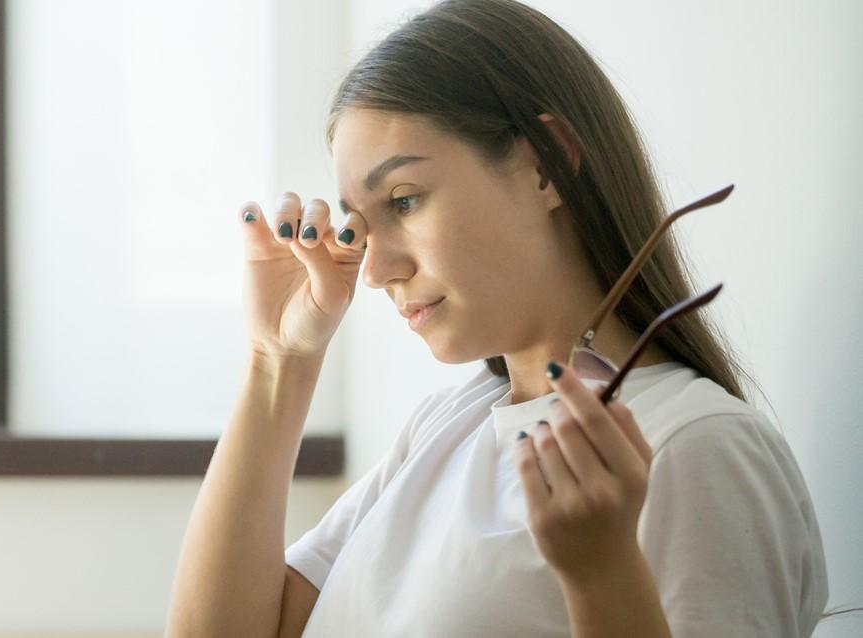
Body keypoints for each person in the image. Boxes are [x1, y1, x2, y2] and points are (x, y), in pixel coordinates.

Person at [165, 0, 829, 636]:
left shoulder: (695, 448)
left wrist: (600, 573)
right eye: (360, 225)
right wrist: (278, 362)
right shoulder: (445, 427)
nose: (376, 269)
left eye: (404, 200)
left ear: (546, 166)